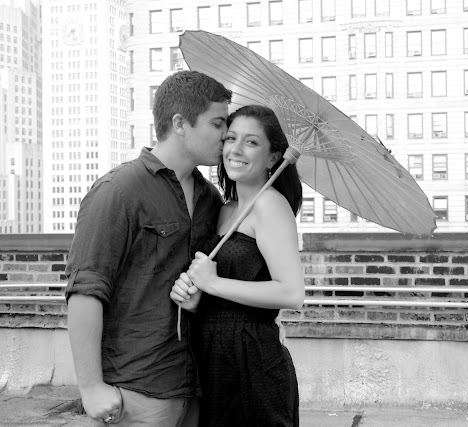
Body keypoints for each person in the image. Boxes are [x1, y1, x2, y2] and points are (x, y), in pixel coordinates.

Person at [65, 70, 232, 426]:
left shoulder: (210, 199)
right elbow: (86, 290)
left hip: (195, 388)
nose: (226, 135)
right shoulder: (118, 190)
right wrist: (91, 387)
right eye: (218, 123)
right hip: (136, 392)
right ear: (180, 123)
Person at [170, 105, 305, 426]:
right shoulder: (225, 209)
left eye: (252, 142)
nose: (237, 149)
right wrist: (196, 299)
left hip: (253, 361)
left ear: (273, 158)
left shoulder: (270, 205)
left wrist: (213, 283)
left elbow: (291, 293)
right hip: (214, 359)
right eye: (231, 138)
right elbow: (223, 291)